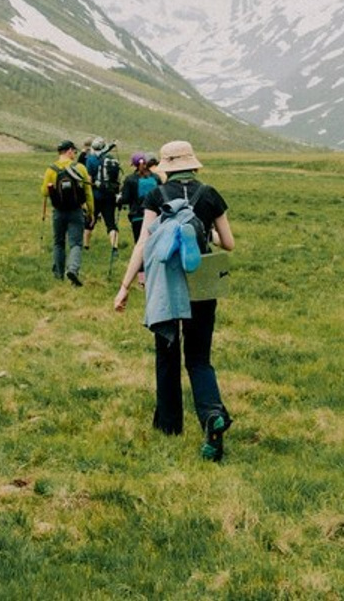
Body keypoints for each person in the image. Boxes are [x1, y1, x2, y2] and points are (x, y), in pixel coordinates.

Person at [113, 140, 235, 461]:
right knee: (198, 357)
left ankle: (169, 425)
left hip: (166, 282)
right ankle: (211, 415)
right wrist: (205, 233)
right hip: (202, 283)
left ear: (165, 167)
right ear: (193, 164)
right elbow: (229, 243)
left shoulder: (156, 195)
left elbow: (143, 243)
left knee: (166, 354)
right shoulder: (210, 195)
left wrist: (125, 286)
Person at [42, 140, 95, 286]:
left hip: (58, 212)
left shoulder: (51, 169)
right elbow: (88, 192)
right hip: (76, 210)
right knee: (76, 243)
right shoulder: (80, 168)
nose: (75, 154)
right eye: (75, 152)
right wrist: (91, 211)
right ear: (70, 151)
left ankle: (58, 275)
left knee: (58, 242)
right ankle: (73, 269)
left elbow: (44, 192)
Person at [85, 137, 122, 255]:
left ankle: (86, 246)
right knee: (110, 222)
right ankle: (114, 248)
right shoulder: (110, 159)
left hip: (96, 195)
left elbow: (89, 179)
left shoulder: (90, 160)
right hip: (110, 195)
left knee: (91, 219)